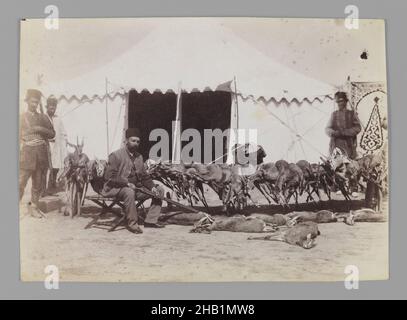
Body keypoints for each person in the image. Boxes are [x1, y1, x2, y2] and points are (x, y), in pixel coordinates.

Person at [101, 128, 165, 234]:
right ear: (126, 141)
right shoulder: (116, 155)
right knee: (128, 192)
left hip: (136, 189)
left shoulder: (139, 157)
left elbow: (144, 177)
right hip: (115, 188)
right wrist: (126, 183)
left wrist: (152, 187)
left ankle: (150, 221)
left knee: (159, 190)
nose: (135, 144)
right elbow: (109, 177)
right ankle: (132, 224)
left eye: (138, 141)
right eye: (133, 140)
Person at [19, 89, 56, 217]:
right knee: (20, 182)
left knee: (37, 184)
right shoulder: (21, 117)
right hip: (26, 155)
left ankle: (34, 207)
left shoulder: (43, 117)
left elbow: (52, 134)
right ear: (27, 101)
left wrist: (39, 128)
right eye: (32, 101)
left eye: (37, 102)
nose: (34, 104)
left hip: (41, 155)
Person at [325, 91, 362, 159]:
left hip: (348, 145)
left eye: (341, 101)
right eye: (338, 102)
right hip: (336, 144)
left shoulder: (351, 114)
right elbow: (327, 129)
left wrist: (346, 132)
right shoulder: (334, 114)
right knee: (336, 164)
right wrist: (334, 133)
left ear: (345, 102)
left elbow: (358, 128)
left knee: (348, 165)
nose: (339, 103)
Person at [44, 95, 68, 195]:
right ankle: (42, 189)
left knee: (56, 167)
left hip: (56, 147)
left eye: (54, 107)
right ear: (47, 106)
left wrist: (65, 140)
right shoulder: (43, 117)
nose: (52, 109)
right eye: (50, 106)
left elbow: (63, 131)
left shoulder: (58, 119)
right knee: (45, 168)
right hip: (46, 146)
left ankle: (51, 187)